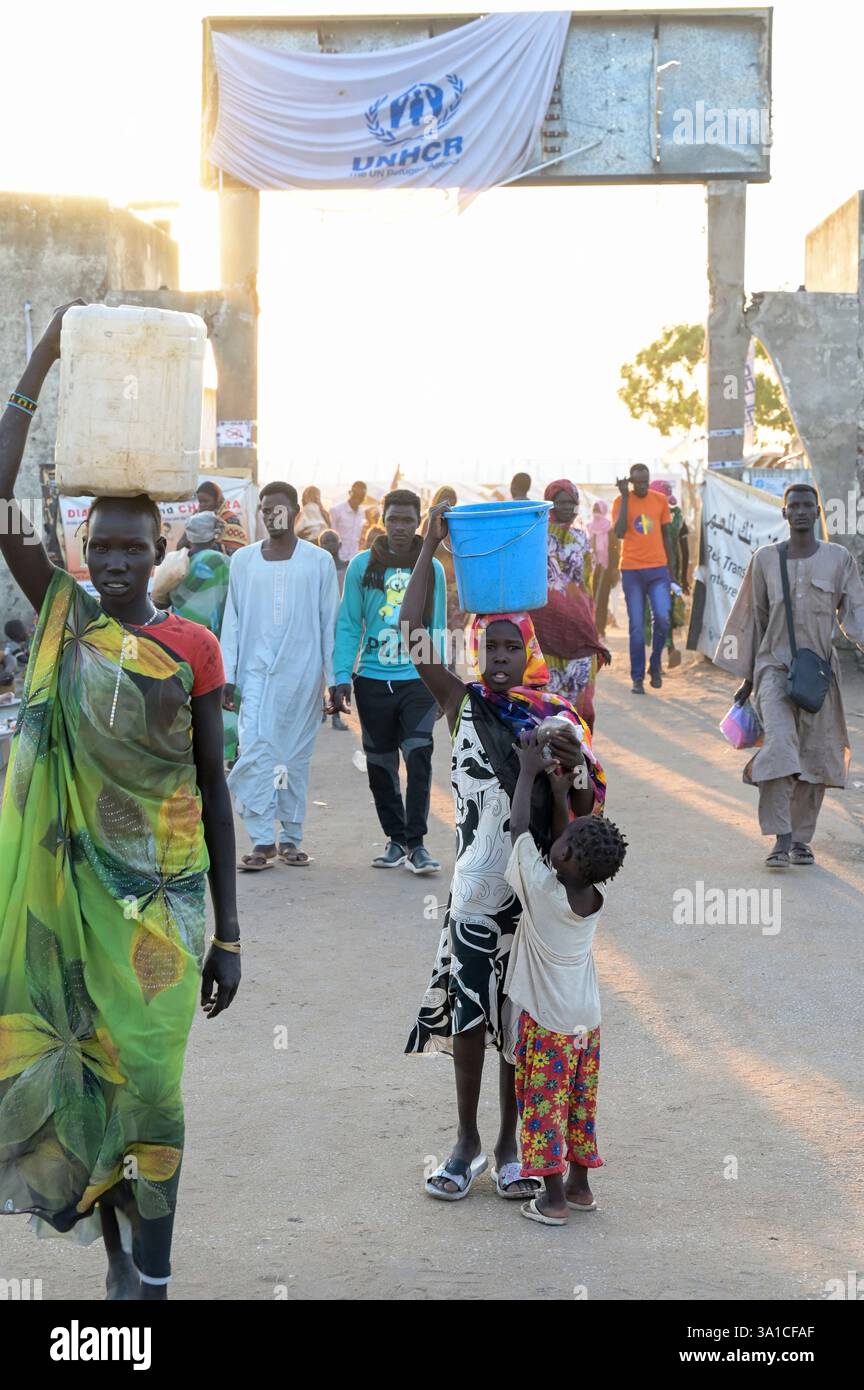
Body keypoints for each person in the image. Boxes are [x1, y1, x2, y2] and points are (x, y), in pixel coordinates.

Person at [0, 301, 240, 1299]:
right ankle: (116, 1264)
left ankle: (156, 1263)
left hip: (168, 906)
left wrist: (230, 931)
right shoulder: (64, 617)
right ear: (82, 547)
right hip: (74, 900)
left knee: (152, 1087)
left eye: (134, 550)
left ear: (161, 557)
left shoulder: (192, 649)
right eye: (101, 546)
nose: (114, 563)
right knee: (89, 1083)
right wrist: (43, 361)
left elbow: (215, 788)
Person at [403, 502, 607, 1202]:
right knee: (467, 1014)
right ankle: (463, 1144)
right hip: (475, 891)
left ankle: (510, 1145)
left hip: (534, 899)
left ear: (530, 654)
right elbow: (410, 635)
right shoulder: (464, 707)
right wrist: (429, 548)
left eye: (509, 649)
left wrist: (569, 771)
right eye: (488, 649)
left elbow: (581, 820)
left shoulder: (556, 722)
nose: (497, 660)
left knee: (524, 1029)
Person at [506, 732, 627, 1224]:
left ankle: (552, 1199)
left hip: (549, 1024)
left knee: (542, 1105)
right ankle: (579, 1186)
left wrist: (528, 772)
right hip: (586, 1025)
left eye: (564, 843)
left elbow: (518, 834)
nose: (559, 839)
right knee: (579, 1103)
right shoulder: (590, 898)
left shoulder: (543, 893)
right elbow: (564, 849)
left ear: (563, 859)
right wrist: (560, 797)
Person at [714, 483, 864, 868]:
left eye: (806, 505)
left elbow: (856, 616)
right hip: (773, 668)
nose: (799, 511)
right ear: (784, 513)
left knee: (815, 758)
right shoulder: (765, 560)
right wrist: (748, 679)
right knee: (780, 746)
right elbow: (751, 617)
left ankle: (801, 840)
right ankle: (780, 837)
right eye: (792, 505)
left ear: (817, 512)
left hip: (819, 675)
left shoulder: (838, 559)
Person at [221, 481, 340, 870]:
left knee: (292, 759)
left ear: (294, 512)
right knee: (255, 752)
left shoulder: (318, 562)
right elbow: (233, 620)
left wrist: (335, 678)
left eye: (278, 508)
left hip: (302, 678)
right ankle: (260, 841)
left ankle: (290, 837)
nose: (271, 514)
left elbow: (329, 625)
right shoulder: (243, 561)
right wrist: (228, 675)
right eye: (264, 508)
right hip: (255, 677)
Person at [332, 489, 446, 874]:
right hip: (372, 680)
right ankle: (395, 839)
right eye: (393, 518)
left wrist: (441, 683)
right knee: (380, 763)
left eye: (408, 520)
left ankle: (417, 843)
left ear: (419, 523)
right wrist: (340, 675)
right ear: (382, 519)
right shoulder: (363, 566)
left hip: (417, 679)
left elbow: (438, 627)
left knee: (419, 755)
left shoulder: (432, 567)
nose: (400, 527)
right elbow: (349, 623)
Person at [533, 480, 610, 732]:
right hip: (545, 629)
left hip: (579, 625)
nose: (566, 506)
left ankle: (581, 762)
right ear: (549, 503)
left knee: (583, 711)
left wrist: (592, 629)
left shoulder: (581, 538)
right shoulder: (536, 536)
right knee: (550, 708)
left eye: (570, 501)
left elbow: (585, 584)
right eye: (559, 501)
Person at [612, 463, 676, 694]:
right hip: (631, 570)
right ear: (630, 481)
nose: (641, 486)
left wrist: (673, 571)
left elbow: (668, 537)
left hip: (658, 570)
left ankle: (656, 664)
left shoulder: (659, 501)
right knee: (637, 626)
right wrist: (625, 497)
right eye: (637, 482)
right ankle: (637, 677)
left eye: (645, 481)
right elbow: (619, 532)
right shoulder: (620, 502)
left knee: (663, 618)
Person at [643, 480, 690, 668]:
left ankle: (657, 659)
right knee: (665, 611)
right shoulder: (677, 516)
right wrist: (683, 576)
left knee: (653, 612)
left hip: (650, 568)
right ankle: (669, 648)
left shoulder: (647, 516)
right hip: (672, 571)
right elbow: (685, 550)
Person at [421, 485, 466, 657]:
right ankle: (437, 666)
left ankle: (452, 666)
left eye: (452, 501)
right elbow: (426, 549)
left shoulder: (458, 522)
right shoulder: (430, 522)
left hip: (456, 587)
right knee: (435, 628)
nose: (449, 505)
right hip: (435, 585)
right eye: (445, 500)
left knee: (456, 630)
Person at [184, 480, 248, 556]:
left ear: (217, 501)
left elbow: (237, 552)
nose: (202, 505)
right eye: (200, 502)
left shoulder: (229, 519)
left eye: (206, 501)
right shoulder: (196, 519)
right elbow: (181, 546)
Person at [330, 480, 368, 561]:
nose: (357, 499)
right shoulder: (336, 510)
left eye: (361, 497)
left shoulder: (362, 513)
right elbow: (331, 535)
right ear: (350, 493)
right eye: (355, 495)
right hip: (338, 559)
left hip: (354, 559)